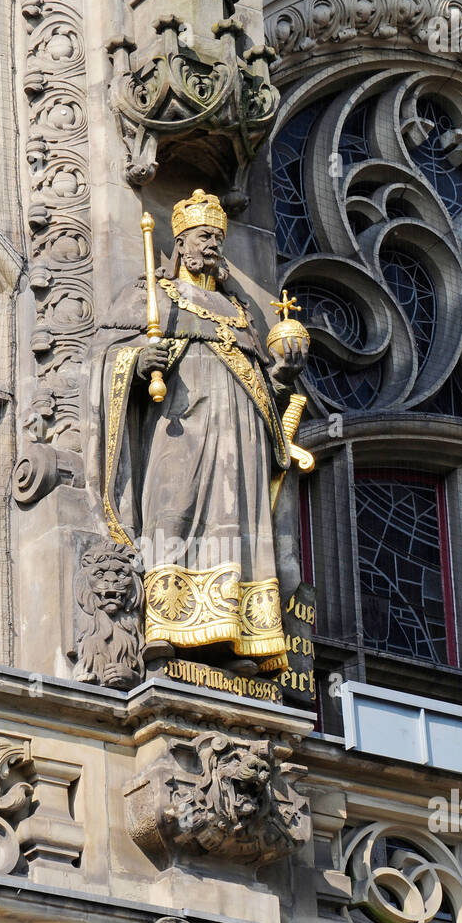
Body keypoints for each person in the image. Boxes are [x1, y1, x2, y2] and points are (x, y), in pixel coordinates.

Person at [85, 190, 306, 674]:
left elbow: (266, 388)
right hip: (180, 428)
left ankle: (240, 634)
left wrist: (284, 374)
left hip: (241, 437)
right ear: (180, 243)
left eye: (217, 238)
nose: (212, 246)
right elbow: (102, 363)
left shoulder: (240, 312)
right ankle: (166, 625)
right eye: (203, 236)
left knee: (237, 525)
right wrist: (139, 362)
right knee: (173, 508)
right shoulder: (153, 297)